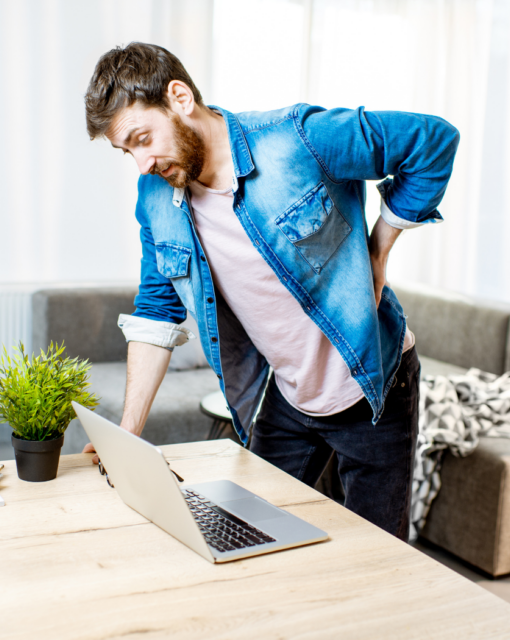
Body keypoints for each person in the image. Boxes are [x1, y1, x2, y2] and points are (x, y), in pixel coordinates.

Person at [82, 42, 458, 540]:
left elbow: (432, 141)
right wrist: (127, 435)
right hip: (286, 395)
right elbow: (156, 311)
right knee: (245, 532)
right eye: (126, 150)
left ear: (179, 97)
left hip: (374, 386)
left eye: (143, 138)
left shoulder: (297, 140)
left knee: (375, 556)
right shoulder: (156, 197)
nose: (141, 164)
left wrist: (378, 249)